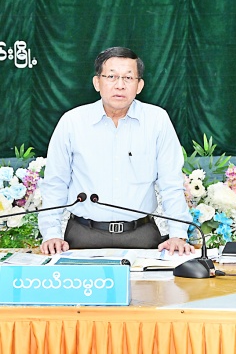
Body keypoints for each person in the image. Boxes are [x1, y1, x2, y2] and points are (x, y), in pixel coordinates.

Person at [39, 47, 194, 255]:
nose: (119, 85)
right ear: (97, 82)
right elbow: (55, 183)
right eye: (111, 76)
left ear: (139, 85)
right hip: (83, 234)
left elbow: (171, 184)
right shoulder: (72, 122)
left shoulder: (157, 120)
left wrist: (178, 234)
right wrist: (51, 234)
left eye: (128, 78)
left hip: (141, 234)